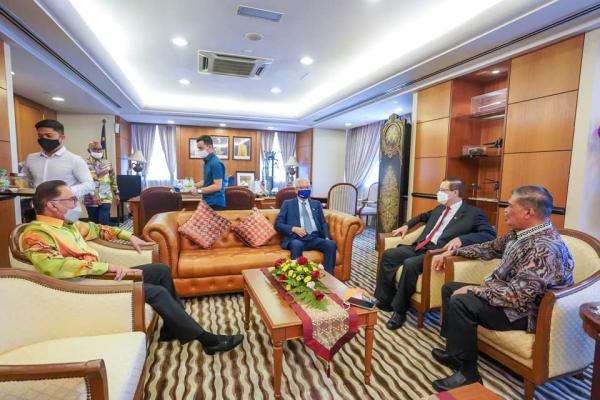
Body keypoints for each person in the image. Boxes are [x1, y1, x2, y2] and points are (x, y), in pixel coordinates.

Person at [20, 180, 243, 355]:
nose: (75, 203)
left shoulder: (70, 226)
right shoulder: (36, 233)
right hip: (81, 285)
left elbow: (101, 230)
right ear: (52, 205)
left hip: (99, 275)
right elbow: (53, 266)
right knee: (156, 291)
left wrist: (130, 236)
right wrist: (103, 267)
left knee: (160, 270)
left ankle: (170, 328)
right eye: (71, 199)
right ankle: (207, 340)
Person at [429, 186, 574, 391]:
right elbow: (490, 247)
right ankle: (455, 353)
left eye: (510, 206)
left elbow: (518, 297)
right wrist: (453, 252)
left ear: (528, 212)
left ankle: (468, 374)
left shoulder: (544, 247)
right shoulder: (520, 234)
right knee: (450, 289)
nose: (505, 210)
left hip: (527, 312)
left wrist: (474, 290)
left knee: (461, 301)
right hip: (508, 294)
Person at [374, 177, 496, 330]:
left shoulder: (473, 213)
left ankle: (400, 311)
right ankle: (385, 300)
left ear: (455, 192)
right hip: (420, 247)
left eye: (442, 190)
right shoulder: (440, 208)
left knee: (410, 264)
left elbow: (489, 234)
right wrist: (407, 225)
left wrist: (462, 239)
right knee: (389, 254)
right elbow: (422, 217)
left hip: (436, 252)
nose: (439, 193)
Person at [275, 178, 337, 274]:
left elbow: (323, 222)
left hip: (314, 237)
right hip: (296, 238)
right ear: (296, 190)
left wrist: (326, 237)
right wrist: (293, 229)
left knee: (330, 244)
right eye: (301, 188)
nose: (305, 190)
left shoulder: (316, 204)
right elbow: (278, 224)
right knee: (297, 245)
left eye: (307, 187)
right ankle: (298, 277)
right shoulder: (288, 204)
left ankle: (329, 276)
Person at [22, 119, 94, 198]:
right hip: (38, 204)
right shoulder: (31, 158)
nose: (44, 139)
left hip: (65, 204)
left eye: (49, 135)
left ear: (61, 138)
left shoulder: (75, 160)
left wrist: (65, 192)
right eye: (40, 136)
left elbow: (89, 185)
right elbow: (26, 181)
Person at [83, 141, 119, 225]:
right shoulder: (84, 164)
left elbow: (113, 179)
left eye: (100, 149)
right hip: (90, 197)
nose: (98, 151)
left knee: (104, 220)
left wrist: (116, 193)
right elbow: (84, 182)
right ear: (89, 150)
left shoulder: (108, 163)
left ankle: (105, 233)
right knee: (93, 222)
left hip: (106, 196)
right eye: (95, 149)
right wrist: (93, 194)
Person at [191, 135, 226, 210]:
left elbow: (217, 186)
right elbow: (207, 181)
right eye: (198, 148)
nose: (199, 151)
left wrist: (198, 191)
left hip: (215, 203)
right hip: (207, 201)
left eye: (201, 148)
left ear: (209, 147)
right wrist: (192, 185)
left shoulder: (215, 163)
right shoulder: (207, 162)